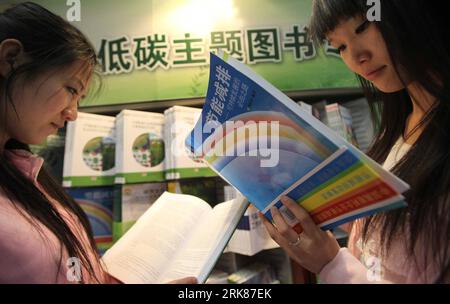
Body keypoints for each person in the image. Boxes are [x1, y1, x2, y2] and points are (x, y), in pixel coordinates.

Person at [0, 2, 196, 284]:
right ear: (11, 58)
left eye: (79, 98)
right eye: (70, 89)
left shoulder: (26, 174)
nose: (73, 113)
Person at [261, 0, 450, 284]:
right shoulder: (397, 130)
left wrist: (332, 264)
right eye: (340, 47)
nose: (356, 56)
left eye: (363, 27)